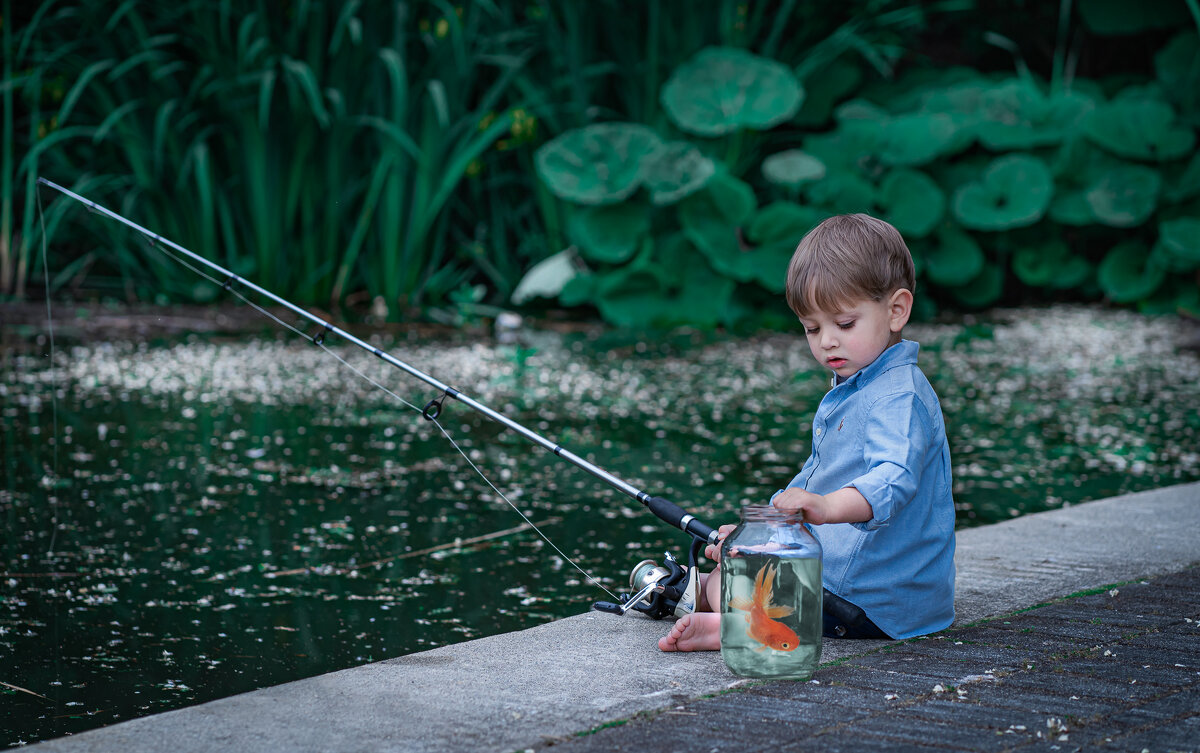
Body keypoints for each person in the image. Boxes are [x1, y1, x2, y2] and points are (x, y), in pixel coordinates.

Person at [660, 213, 956, 652]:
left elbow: (893, 480)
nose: (827, 343)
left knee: (733, 581)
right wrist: (765, 529)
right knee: (735, 559)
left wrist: (823, 506)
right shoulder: (860, 383)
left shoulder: (898, 397)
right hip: (870, 583)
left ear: (896, 311)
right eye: (812, 329)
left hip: (878, 600)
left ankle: (732, 627)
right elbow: (817, 477)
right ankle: (717, 604)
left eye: (844, 324)